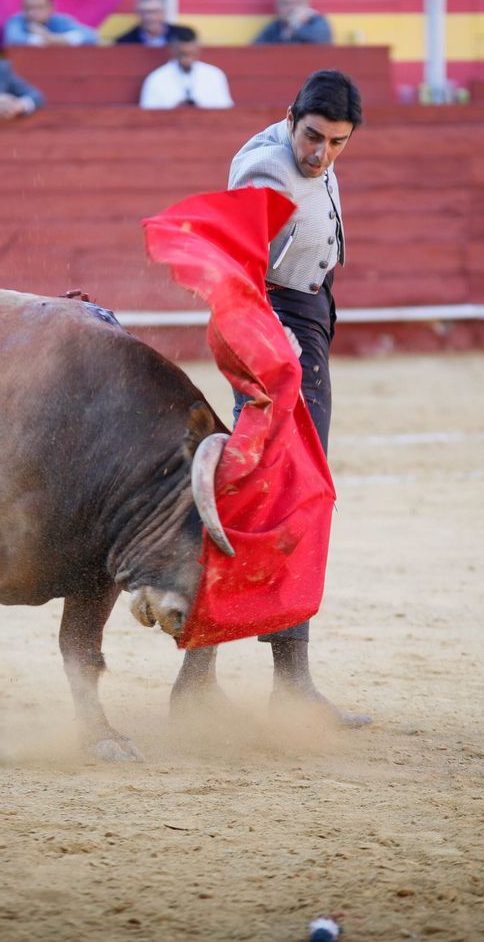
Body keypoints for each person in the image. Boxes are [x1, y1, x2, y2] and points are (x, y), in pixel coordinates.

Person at [170, 69, 370, 730]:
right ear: (292, 117)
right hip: (279, 327)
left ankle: (237, 678)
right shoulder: (266, 174)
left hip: (305, 314)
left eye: (337, 143)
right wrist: (276, 346)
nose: (321, 154)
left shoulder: (302, 153)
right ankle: (256, 681)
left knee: (279, 494)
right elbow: (240, 275)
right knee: (281, 496)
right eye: (313, 137)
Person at [139, 27, 232, 110]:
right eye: (182, 54)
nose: (186, 59)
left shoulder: (214, 75)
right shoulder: (156, 79)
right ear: (172, 49)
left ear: (198, 49)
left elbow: (225, 111)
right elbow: (148, 114)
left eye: (191, 54)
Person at [3, 0, 100, 48]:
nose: (34, 12)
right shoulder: (17, 21)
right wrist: (49, 40)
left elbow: (91, 36)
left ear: (51, 7)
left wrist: (50, 37)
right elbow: (13, 38)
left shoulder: (60, 21)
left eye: (40, 7)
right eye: (29, 8)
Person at [253, 0, 333, 45]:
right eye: (286, 3)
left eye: (297, 2)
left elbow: (322, 42)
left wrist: (295, 26)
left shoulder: (317, 21)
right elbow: (256, 52)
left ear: (307, 4)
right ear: (277, 7)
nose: (292, 8)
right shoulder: (275, 27)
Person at [114, 0, 190, 47]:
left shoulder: (184, 35)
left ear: (163, 12)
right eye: (143, 12)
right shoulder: (125, 42)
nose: (148, 17)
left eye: (153, 12)